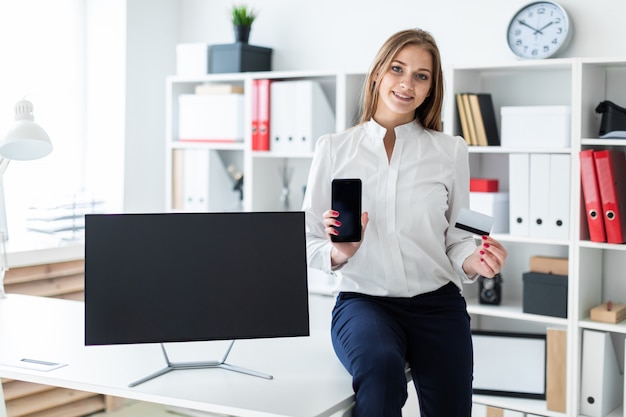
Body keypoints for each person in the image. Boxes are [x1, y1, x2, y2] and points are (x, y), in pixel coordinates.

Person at [301, 28, 508, 417]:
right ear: (378, 73)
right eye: (398, 69)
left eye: (421, 75)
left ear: (431, 88)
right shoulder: (333, 149)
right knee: (380, 376)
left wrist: (472, 260)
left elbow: (460, 236)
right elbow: (305, 239)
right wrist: (338, 251)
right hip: (365, 303)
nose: (407, 83)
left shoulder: (450, 151)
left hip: (438, 305)